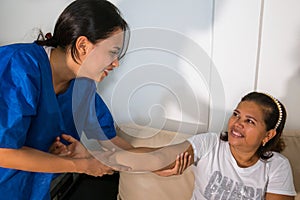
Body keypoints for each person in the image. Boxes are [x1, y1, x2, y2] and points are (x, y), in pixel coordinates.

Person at [0, 0, 139, 199]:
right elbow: (3, 152)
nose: (116, 63)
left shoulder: (82, 89)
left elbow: (110, 141)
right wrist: (82, 165)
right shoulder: (18, 66)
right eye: (112, 53)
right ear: (83, 45)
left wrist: (157, 161)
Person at [107, 92, 297, 200]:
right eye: (236, 114)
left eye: (250, 121)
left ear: (268, 135)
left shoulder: (277, 166)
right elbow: (162, 157)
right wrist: (106, 157)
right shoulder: (210, 143)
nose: (237, 123)